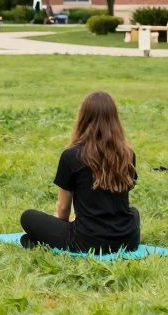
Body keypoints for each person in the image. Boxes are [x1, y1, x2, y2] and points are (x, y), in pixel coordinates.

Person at [20, 91, 140, 254]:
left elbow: (63, 208)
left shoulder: (71, 156)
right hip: (128, 240)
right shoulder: (127, 154)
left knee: (27, 217)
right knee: (133, 212)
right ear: (114, 120)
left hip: (87, 242)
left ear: (83, 118)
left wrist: (57, 233)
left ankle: (39, 242)